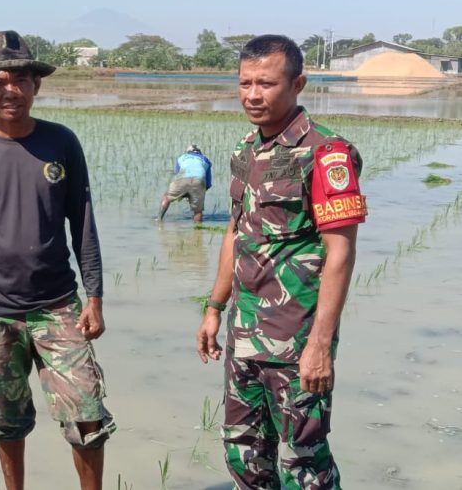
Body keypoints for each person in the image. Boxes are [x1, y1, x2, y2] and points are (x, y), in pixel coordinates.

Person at [0, 30, 113, 490]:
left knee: (87, 416)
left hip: (57, 306)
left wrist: (94, 298)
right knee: (7, 420)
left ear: (37, 85)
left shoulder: (62, 143)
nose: (10, 90)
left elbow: (84, 224)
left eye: (20, 79)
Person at [195, 35, 367, 489]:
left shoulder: (326, 153)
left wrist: (320, 345)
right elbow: (235, 233)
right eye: (245, 83)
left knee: (302, 463)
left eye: (266, 84)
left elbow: (341, 252)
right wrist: (214, 308)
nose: (253, 95)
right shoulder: (246, 149)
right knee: (243, 453)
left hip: (296, 342)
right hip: (244, 334)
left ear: (297, 84)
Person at [157, 144, 212, 223]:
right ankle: (198, 229)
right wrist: (195, 193)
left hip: (182, 180)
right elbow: (208, 183)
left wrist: (184, 193)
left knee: (166, 198)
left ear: (188, 152)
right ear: (199, 152)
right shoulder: (206, 159)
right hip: (198, 181)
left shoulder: (182, 157)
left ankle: (159, 219)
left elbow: (177, 173)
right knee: (198, 211)